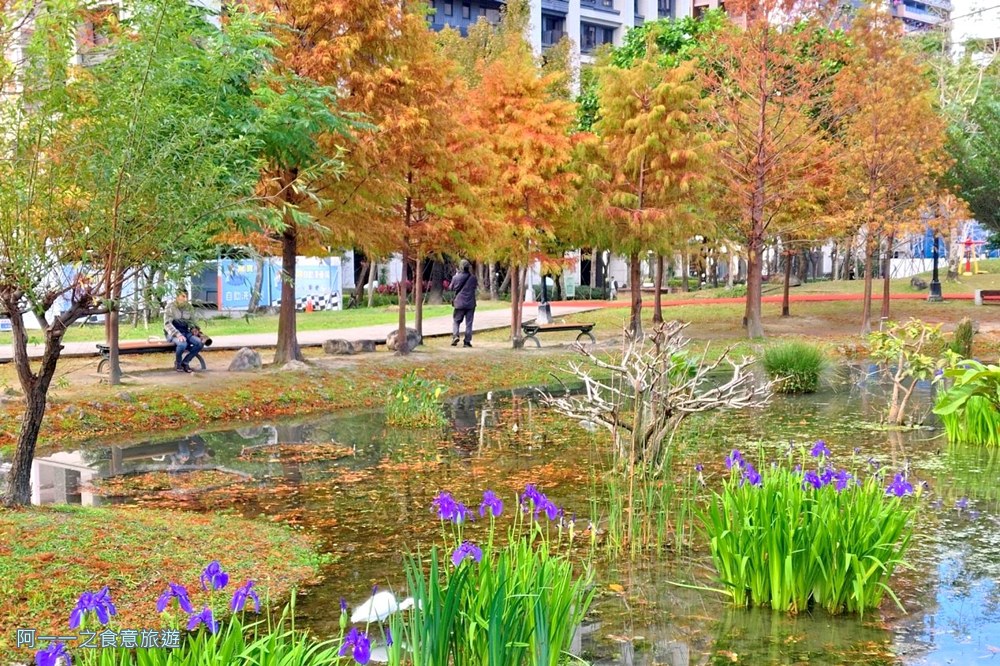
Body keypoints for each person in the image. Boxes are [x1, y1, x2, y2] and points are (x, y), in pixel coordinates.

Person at [163, 292, 203, 373]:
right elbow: (167, 324)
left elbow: (192, 321)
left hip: (185, 331)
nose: (185, 299)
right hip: (172, 333)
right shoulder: (170, 307)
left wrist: (194, 329)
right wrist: (178, 334)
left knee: (199, 343)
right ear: (177, 297)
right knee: (182, 344)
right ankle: (178, 363)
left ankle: (185, 362)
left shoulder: (189, 307)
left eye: (186, 297)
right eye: (183, 296)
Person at [450, 260, 477, 348]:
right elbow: (474, 287)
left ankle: (455, 335)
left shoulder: (456, 277)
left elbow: (451, 288)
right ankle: (467, 342)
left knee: (456, 321)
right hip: (470, 303)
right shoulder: (473, 278)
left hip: (459, 303)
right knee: (469, 323)